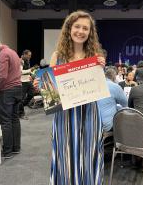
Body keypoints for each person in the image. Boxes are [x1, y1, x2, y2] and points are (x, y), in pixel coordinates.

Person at [49, 10, 105, 185]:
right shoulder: (57, 56)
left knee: (89, 155)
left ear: (90, 32)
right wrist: (43, 87)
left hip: (90, 114)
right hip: (64, 116)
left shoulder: (95, 57)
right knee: (65, 156)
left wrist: (101, 68)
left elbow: (96, 87)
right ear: (69, 28)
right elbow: (52, 93)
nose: (81, 31)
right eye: (77, 26)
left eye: (85, 28)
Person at [0, 43, 22, 159]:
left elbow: (1, 76)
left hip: (7, 91)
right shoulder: (13, 52)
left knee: (5, 121)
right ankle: (16, 148)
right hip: (18, 88)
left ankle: (7, 151)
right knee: (14, 119)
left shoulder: (2, 54)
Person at [97, 68, 128, 132]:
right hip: (106, 126)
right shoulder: (114, 86)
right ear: (114, 77)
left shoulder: (96, 84)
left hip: (92, 124)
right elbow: (125, 104)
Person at [19, 50, 35, 120]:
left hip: (28, 80)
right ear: (24, 54)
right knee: (21, 98)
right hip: (22, 82)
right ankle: (21, 113)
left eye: (30, 55)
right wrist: (30, 70)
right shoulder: (21, 61)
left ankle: (21, 106)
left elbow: (28, 70)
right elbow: (20, 71)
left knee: (32, 94)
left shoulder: (27, 60)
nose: (30, 57)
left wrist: (32, 74)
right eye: (29, 55)